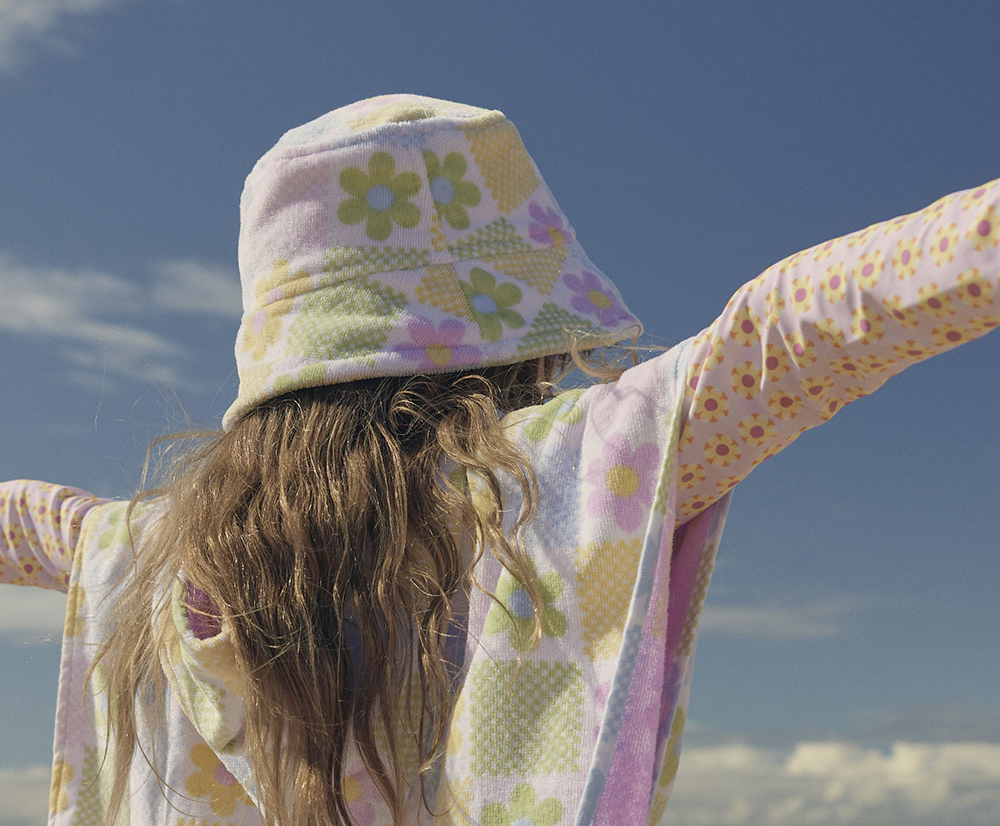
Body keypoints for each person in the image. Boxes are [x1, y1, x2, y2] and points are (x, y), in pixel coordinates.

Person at [2, 94, 997, 826]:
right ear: (522, 329)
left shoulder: (161, 550)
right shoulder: (553, 478)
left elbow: (28, 520)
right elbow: (796, 332)